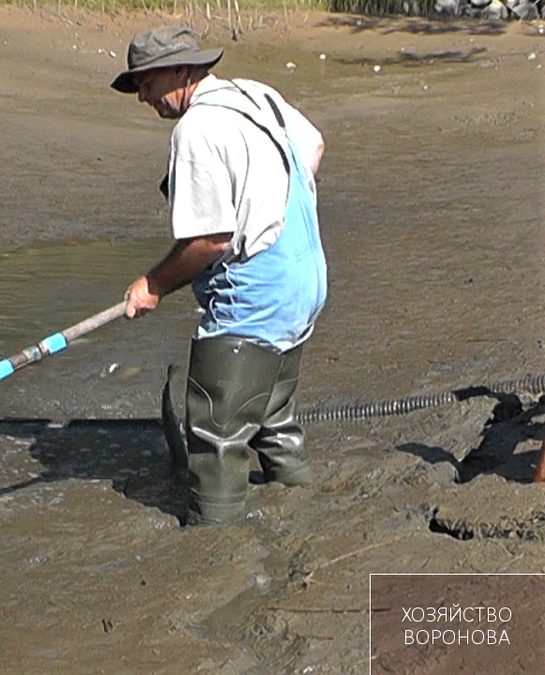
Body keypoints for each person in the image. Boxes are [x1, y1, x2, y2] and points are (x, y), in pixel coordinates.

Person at [110, 26, 328, 525]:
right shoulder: (258, 94)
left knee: (216, 435)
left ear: (182, 71)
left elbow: (209, 241)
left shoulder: (196, 130)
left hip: (259, 293)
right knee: (274, 419)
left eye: (145, 81)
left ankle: (214, 547)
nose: (141, 95)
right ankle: (304, 517)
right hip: (305, 277)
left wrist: (153, 285)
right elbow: (313, 146)